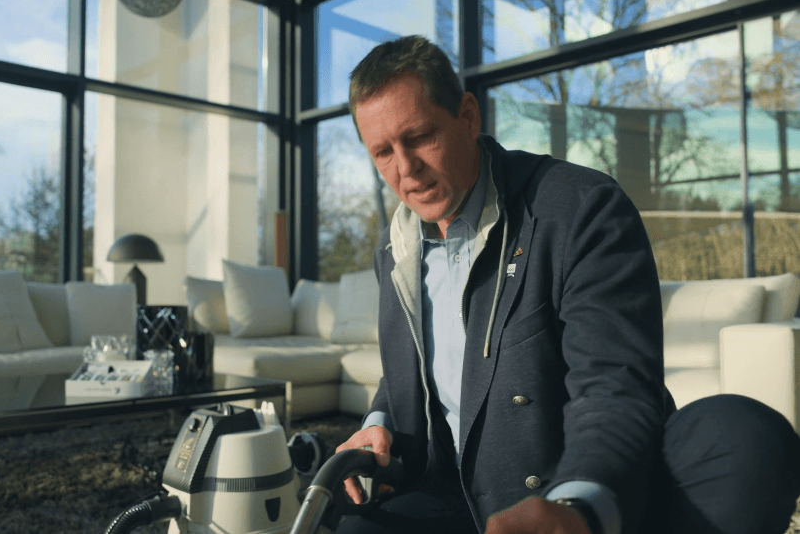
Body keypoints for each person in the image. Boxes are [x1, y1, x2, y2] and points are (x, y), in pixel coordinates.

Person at [333, 35, 800, 534]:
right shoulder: (395, 250)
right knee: (347, 523)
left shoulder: (580, 207)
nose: (405, 169)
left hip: (584, 484)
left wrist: (577, 506)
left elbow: (611, 386)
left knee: (745, 440)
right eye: (382, 152)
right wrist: (377, 424)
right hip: (462, 494)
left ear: (468, 116)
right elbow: (409, 370)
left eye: (420, 136)